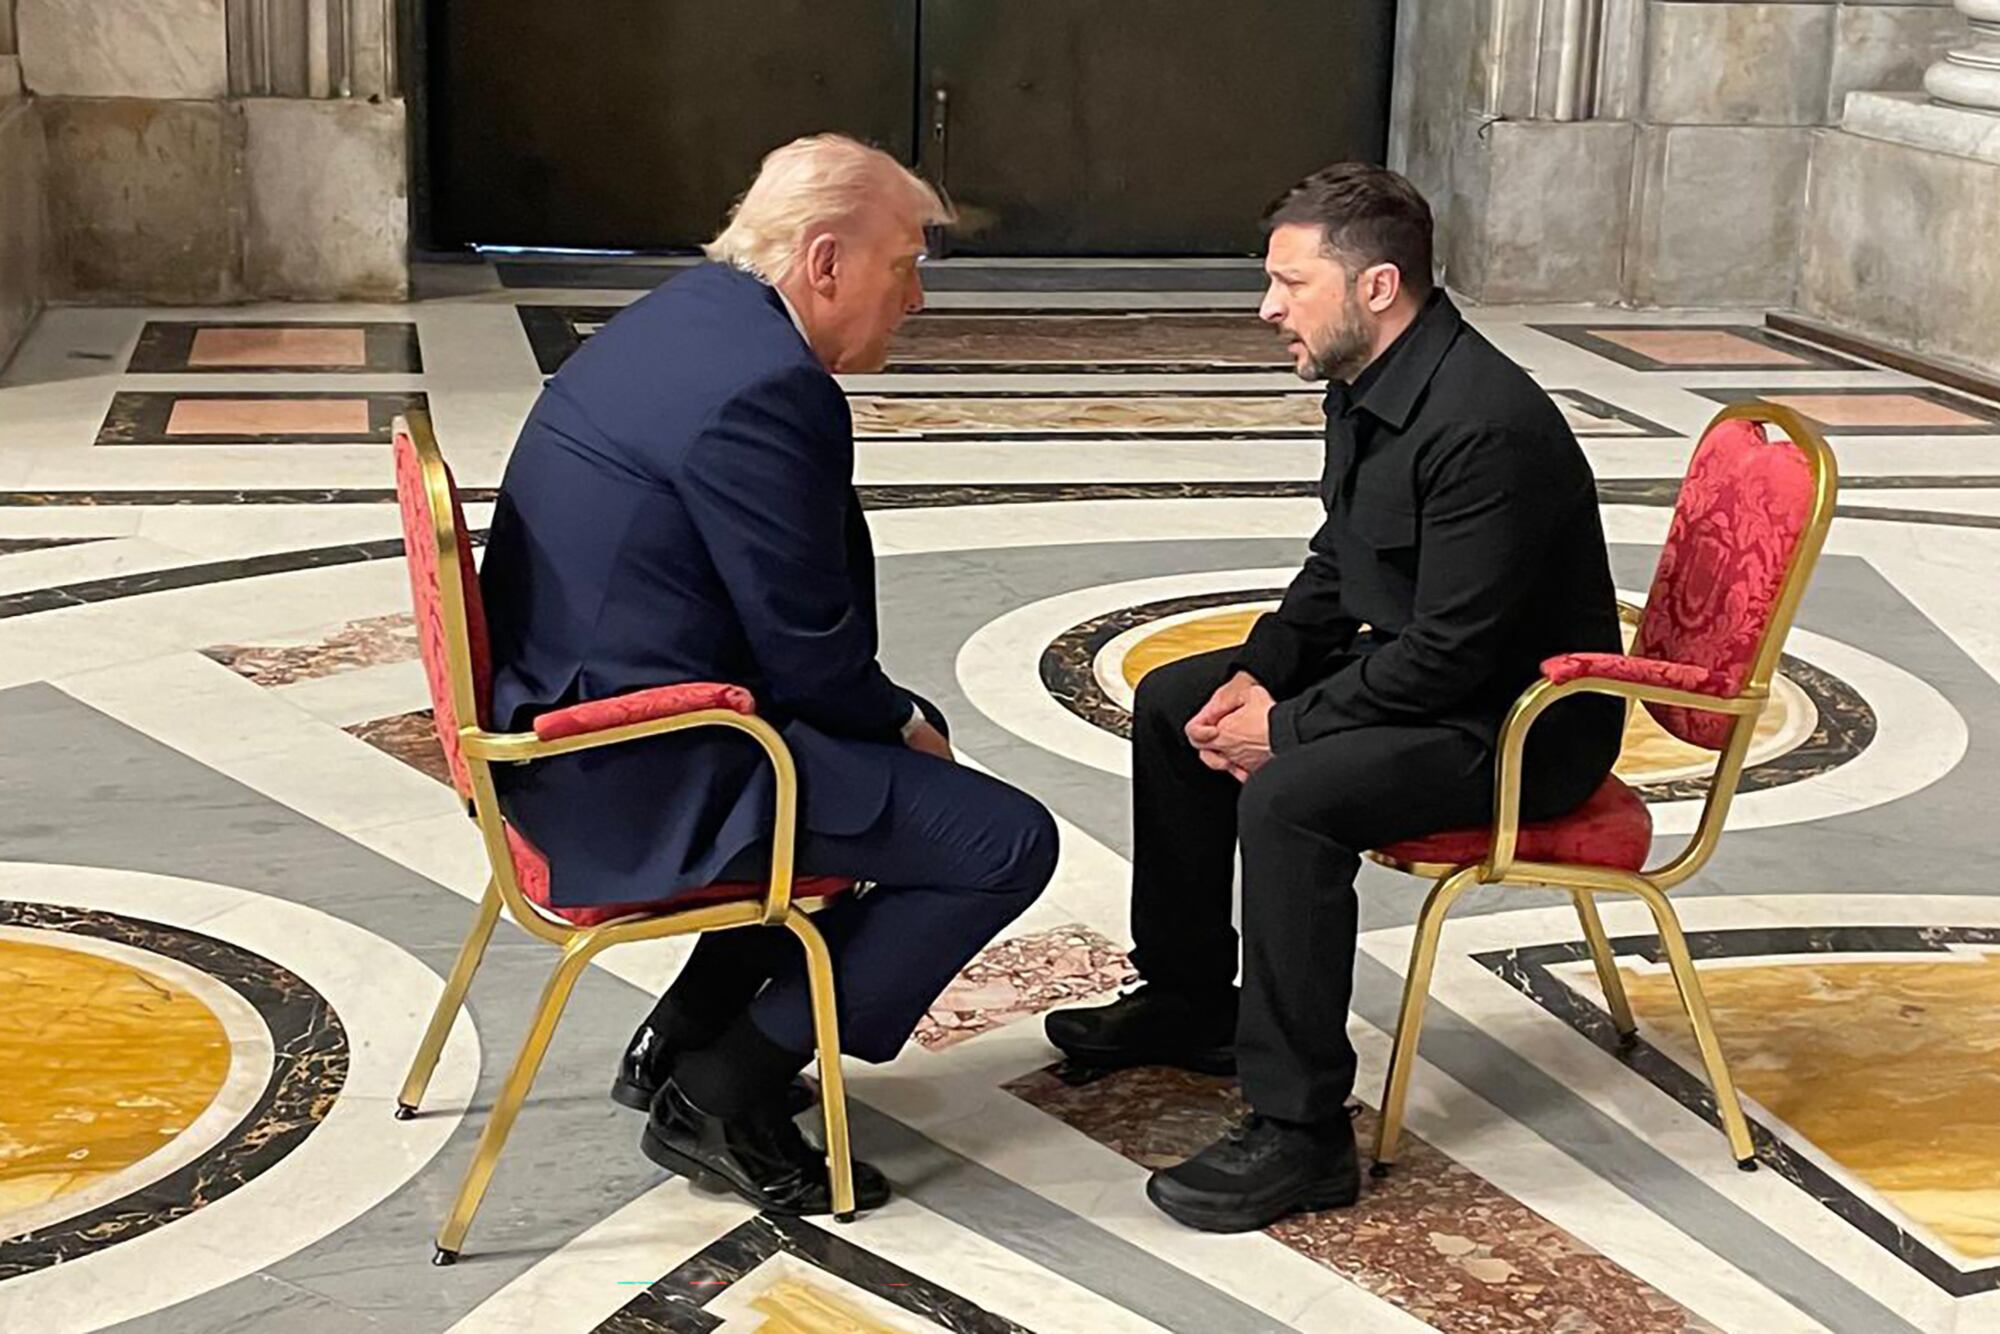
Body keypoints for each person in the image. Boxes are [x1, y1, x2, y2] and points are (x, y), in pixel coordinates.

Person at [481, 134, 1059, 1218]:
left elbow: (779, 626)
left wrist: (884, 720)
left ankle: (685, 1032)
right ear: (826, 260)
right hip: (637, 765)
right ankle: (721, 1085)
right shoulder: (762, 386)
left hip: (573, 721)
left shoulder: (685, 319)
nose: (917, 298)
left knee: (887, 768)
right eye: (904, 267)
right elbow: (805, 644)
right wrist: (895, 724)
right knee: (1000, 840)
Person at [1043, 164, 1624, 1233]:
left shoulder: (1482, 426)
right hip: (1433, 678)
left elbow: (1453, 654)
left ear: (1376, 285)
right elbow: (1337, 561)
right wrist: (1259, 672)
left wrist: (1290, 727)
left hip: (1516, 725)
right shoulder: (1370, 379)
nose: (1267, 308)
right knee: (1179, 701)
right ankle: (1185, 997)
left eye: (1287, 282)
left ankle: (1300, 1129)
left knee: (1291, 795)